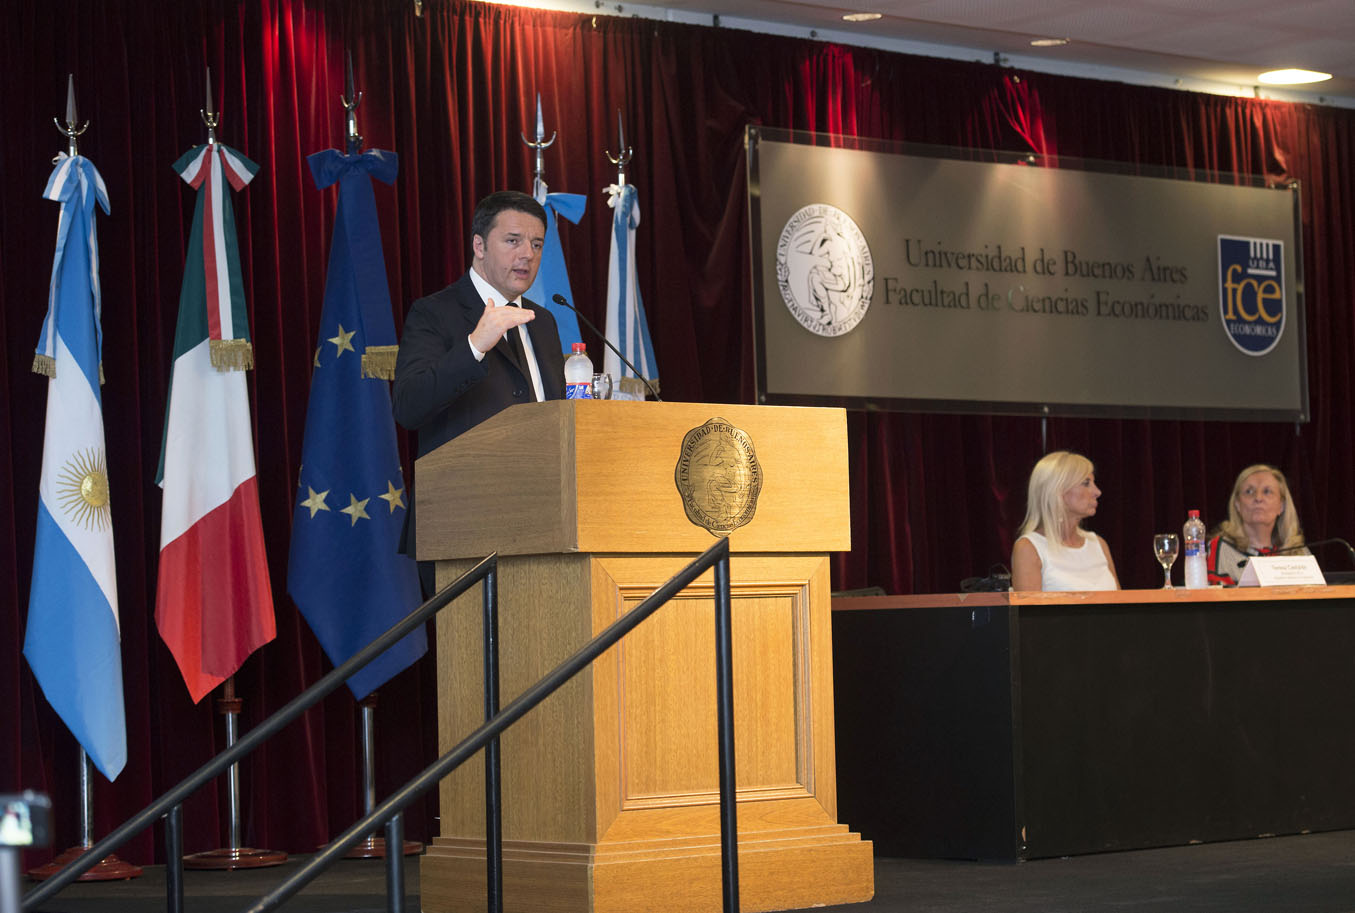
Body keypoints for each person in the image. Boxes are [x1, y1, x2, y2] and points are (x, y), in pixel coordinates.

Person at [392, 190, 567, 565]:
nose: (528, 254)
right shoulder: (434, 313)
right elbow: (409, 406)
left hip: (541, 522)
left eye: (537, 244)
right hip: (460, 523)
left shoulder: (544, 321)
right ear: (479, 245)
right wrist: (474, 346)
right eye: (513, 241)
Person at [1011, 450, 1120, 592]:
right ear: (1057, 491)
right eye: (1086, 483)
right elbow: (1028, 613)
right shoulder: (1029, 548)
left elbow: (1120, 607)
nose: (1097, 492)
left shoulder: (1098, 544)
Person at [1206, 464, 1305, 586]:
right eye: (1249, 491)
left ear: (1282, 506)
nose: (1258, 498)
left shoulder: (1298, 551)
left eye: (1267, 491)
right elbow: (1215, 599)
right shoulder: (1222, 548)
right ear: (1237, 504)